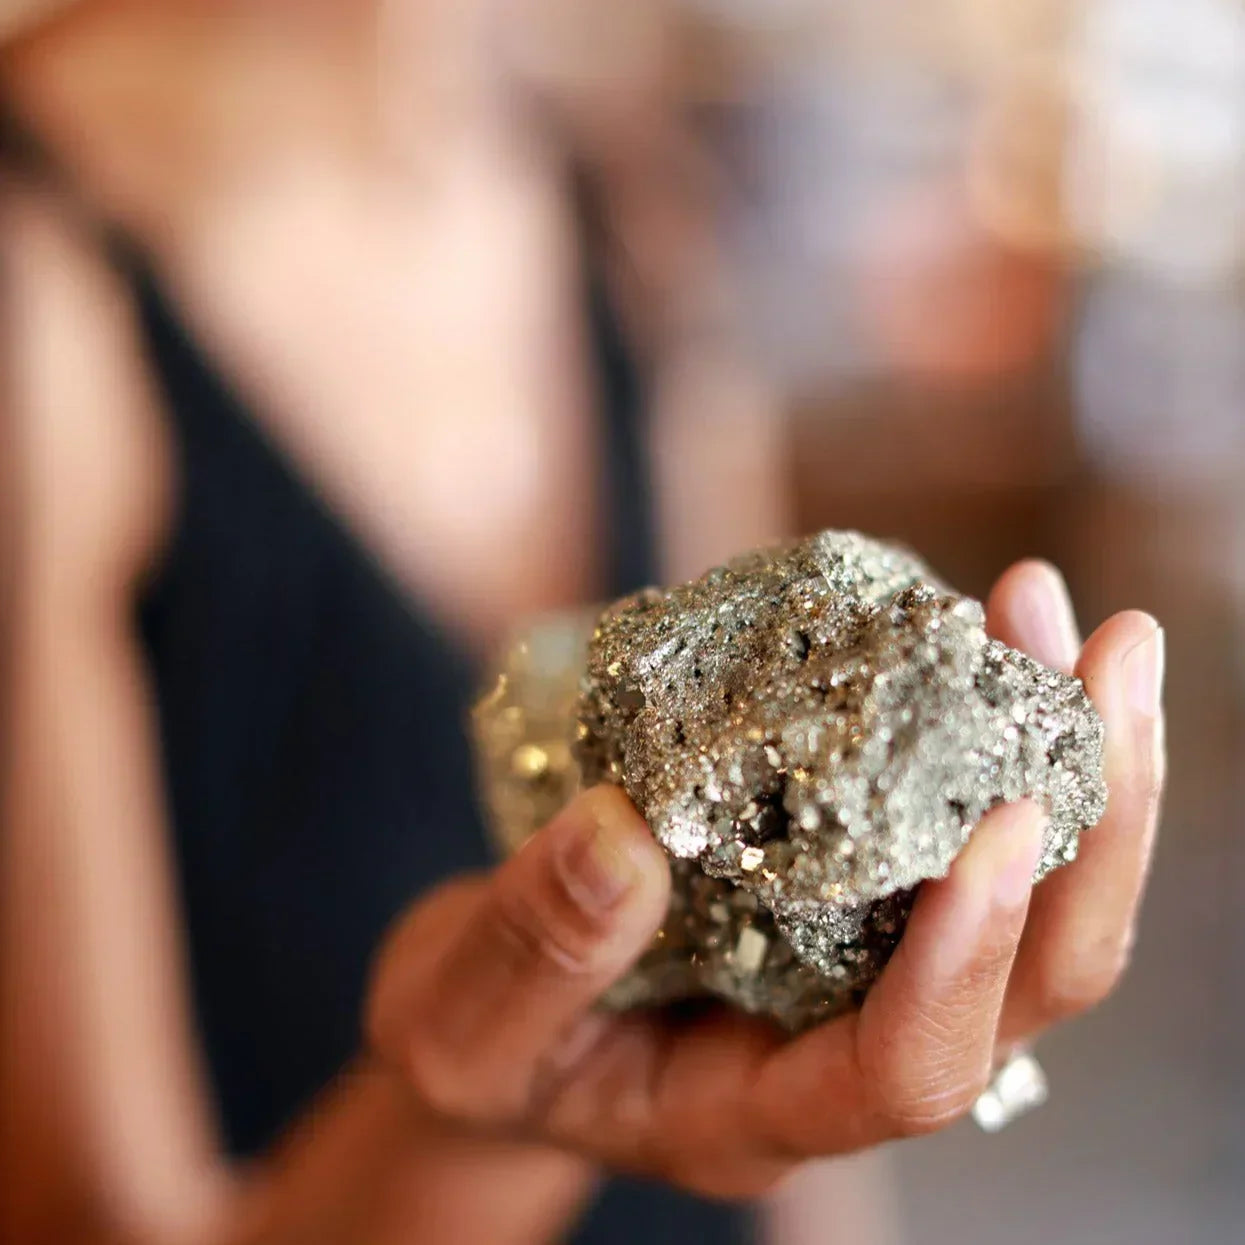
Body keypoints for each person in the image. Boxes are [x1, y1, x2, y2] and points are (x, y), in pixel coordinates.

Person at [0, 3, 1166, 1243]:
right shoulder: (42, 280)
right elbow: (92, 1218)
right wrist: (475, 1129)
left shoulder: (630, 209)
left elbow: (803, 1099)